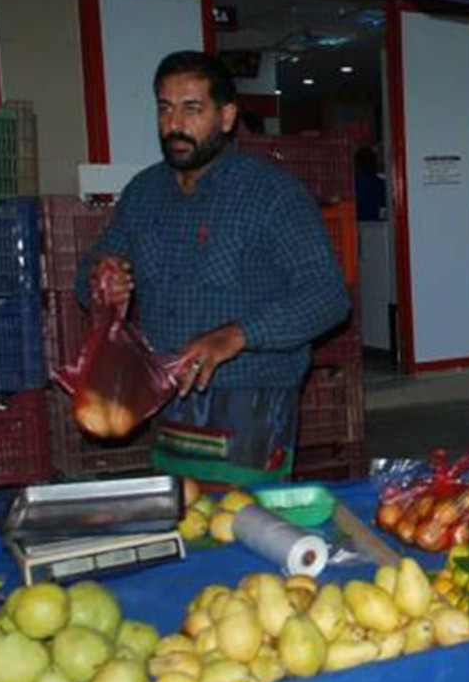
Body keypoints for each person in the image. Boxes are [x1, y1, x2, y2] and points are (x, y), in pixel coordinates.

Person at [77, 50, 350, 482]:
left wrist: (237, 335)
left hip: (252, 397)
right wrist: (102, 279)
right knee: (186, 522)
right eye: (165, 109)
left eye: (192, 109)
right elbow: (91, 273)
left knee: (245, 526)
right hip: (167, 393)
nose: (175, 125)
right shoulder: (143, 193)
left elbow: (327, 296)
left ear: (226, 117)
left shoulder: (273, 194)